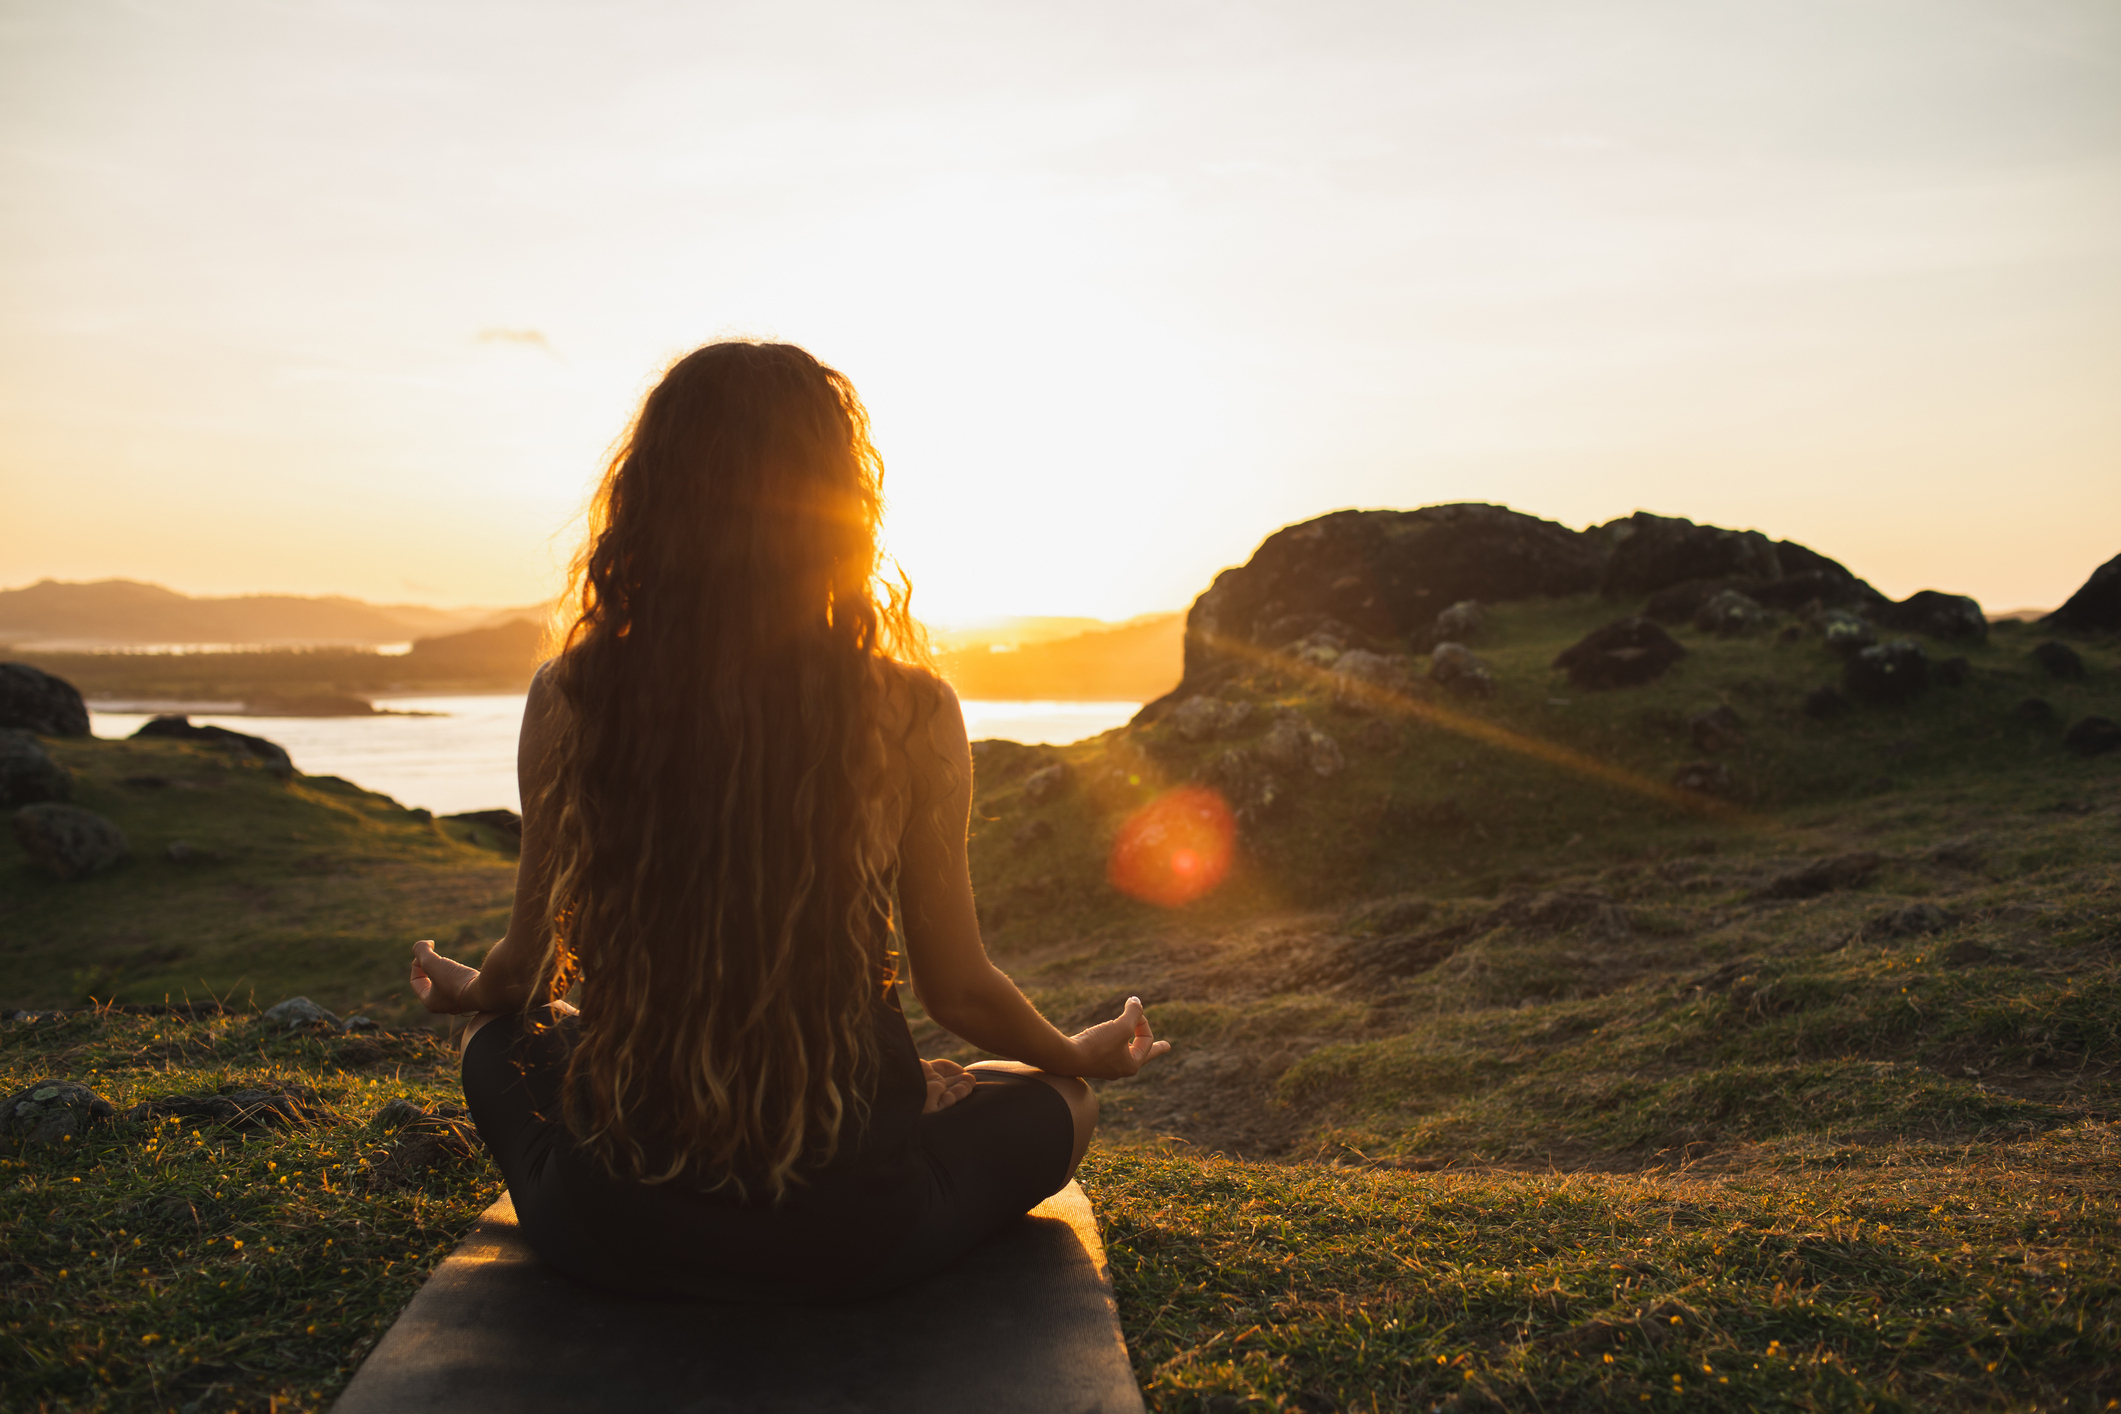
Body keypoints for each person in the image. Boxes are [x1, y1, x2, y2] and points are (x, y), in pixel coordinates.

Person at [407, 340, 1170, 1302]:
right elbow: (960, 990)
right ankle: (888, 1114)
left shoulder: (574, 694)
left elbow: (520, 976)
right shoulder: (908, 709)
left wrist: (470, 987)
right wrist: (1072, 1053)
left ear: (650, 498)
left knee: (493, 1041)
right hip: (856, 1232)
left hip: (610, 1225)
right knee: (1063, 1105)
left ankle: (876, 1108)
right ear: (837, 508)